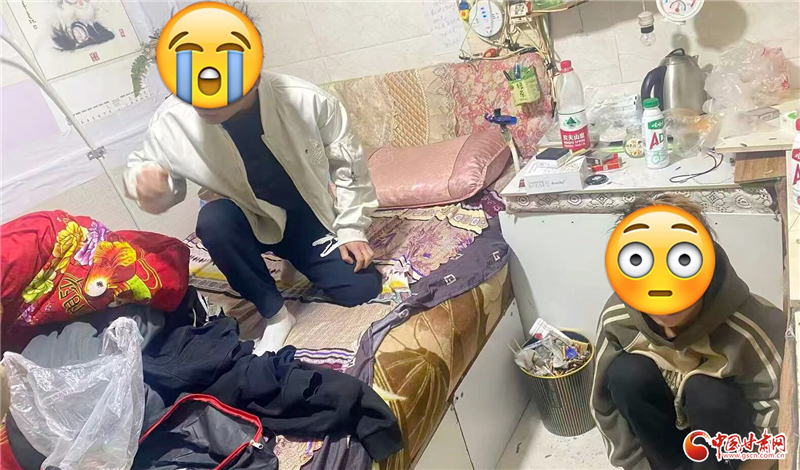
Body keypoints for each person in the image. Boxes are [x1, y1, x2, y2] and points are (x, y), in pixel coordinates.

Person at [124, 70, 381, 356]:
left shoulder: (306, 99)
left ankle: (294, 256)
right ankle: (277, 316)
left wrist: (351, 228)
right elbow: (158, 181)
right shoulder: (171, 120)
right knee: (213, 222)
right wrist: (152, 188)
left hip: (305, 213)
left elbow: (349, 166)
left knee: (362, 289)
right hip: (244, 217)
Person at [592, 194, 785, 470]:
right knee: (626, 374)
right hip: (667, 439)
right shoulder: (618, 318)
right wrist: (635, 465)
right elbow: (603, 404)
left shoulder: (752, 325)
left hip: (728, 443)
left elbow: (778, 419)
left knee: (707, 393)